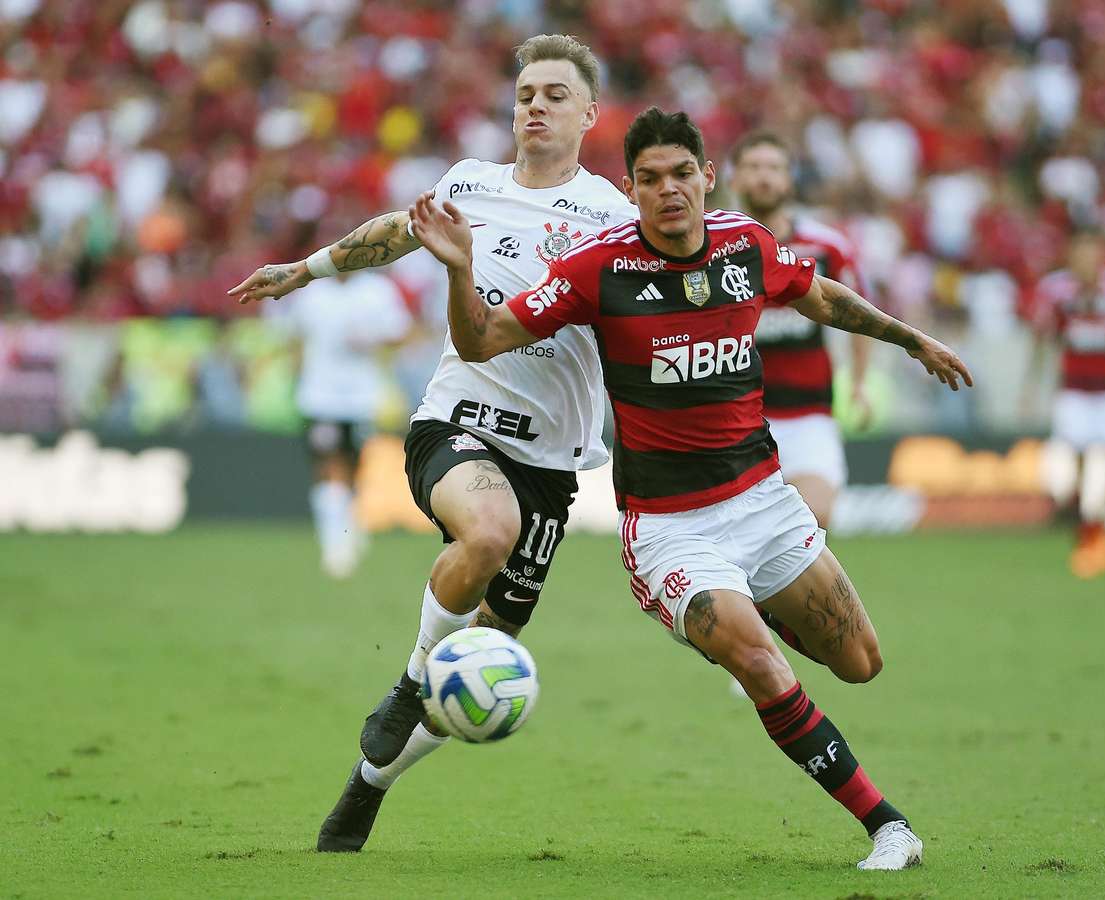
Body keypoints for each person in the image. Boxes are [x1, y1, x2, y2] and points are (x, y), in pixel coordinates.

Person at [409, 106, 972, 871]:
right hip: (671, 529)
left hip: (766, 501)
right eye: (649, 179)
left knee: (861, 663)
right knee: (762, 664)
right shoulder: (599, 269)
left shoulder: (746, 247)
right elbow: (480, 338)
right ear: (630, 189)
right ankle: (889, 828)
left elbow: (823, 297)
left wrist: (912, 339)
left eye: (681, 174)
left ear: (707, 177)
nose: (668, 190)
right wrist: (458, 268)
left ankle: (753, 603)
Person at [228, 34, 635, 851]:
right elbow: (395, 230)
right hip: (458, 423)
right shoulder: (471, 184)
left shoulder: (618, 220)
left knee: (481, 663)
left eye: (556, 94)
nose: (536, 106)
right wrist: (305, 270)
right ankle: (412, 676)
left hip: (552, 461)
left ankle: (364, 794)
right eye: (525, 93)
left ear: (590, 113)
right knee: (488, 533)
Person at [728, 131, 872, 528]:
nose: (764, 177)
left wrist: (859, 383)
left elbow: (860, 315)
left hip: (808, 416)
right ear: (733, 179)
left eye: (773, 168)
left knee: (814, 517)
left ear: (789, 179)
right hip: (735, 417)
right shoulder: (709, 245)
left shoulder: (826, 247)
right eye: (753, 167)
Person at [1027, 232, 1105, 578]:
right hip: (1074, 389)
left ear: (1101, 257)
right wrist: (1032, 385)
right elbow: (1042, 338)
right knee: (1078, 454)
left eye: (1090, 255)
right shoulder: (1056, 292)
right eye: (1078, 256)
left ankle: (1099, 513)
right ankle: (1085, 519)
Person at [272, 270, 412, 578]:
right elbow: (292, 334)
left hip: (364, 396)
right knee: (328, 465)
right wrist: (295, 377)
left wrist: (372, 339)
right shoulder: (312, 292)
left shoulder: (377, 289)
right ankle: (334, 543)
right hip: (320, 396)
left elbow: (401, 331)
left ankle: (349, 529)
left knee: (355, 468)